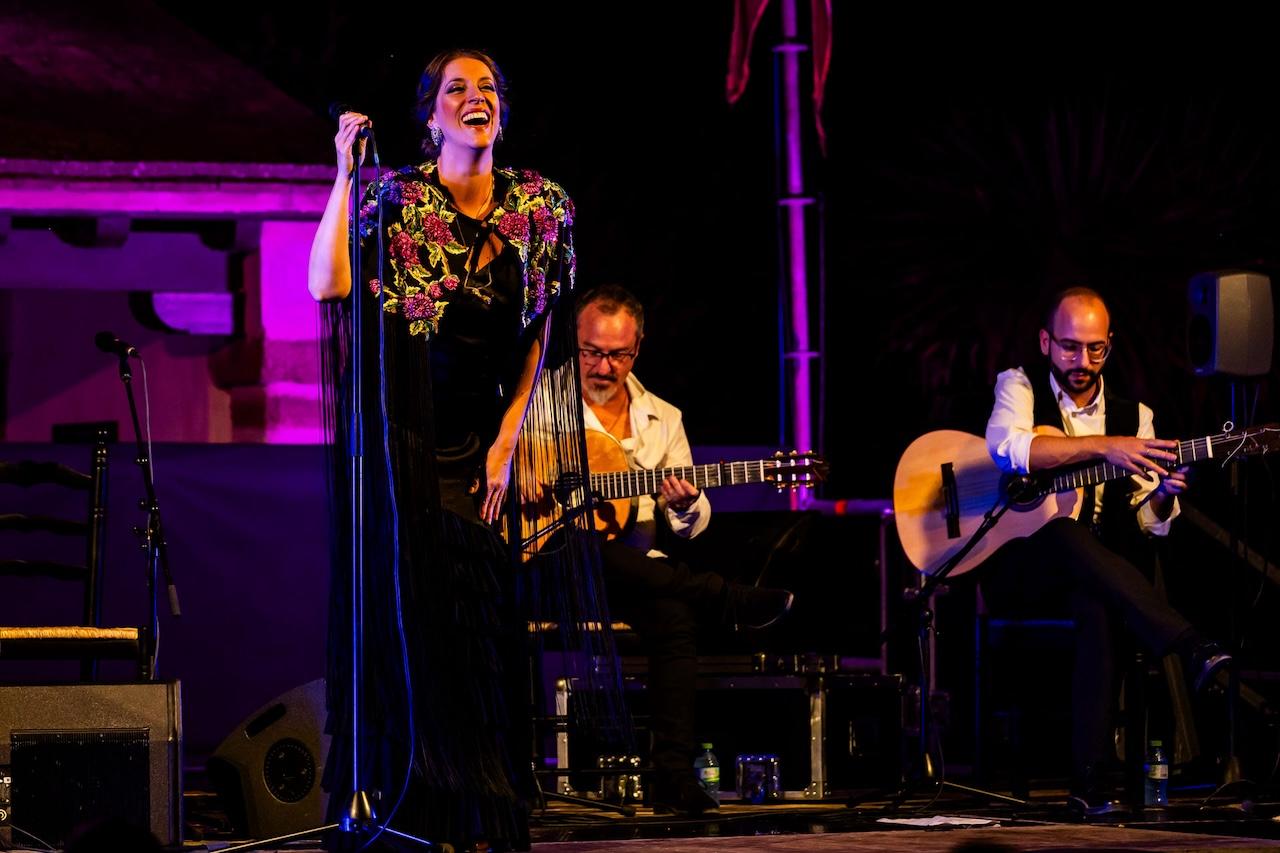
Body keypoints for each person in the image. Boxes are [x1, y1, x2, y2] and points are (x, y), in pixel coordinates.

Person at [309, 49, 618, 852]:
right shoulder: (398, 199)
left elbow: (542, 326)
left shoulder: (541, 204)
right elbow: (327, 284)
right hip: (399, 439)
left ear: (502, 114)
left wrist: (512, 435)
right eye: (457, 89)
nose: (474, 99)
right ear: (431, 115)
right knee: (417, 625)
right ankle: (419, 812)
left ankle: (483, 812)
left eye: (487, 90)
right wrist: (345, 177)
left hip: (481, 440)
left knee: (481, 628)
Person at [982, 286, 1231, 810]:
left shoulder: (1135, 416)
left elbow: (1150, 524)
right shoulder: (1020, 385)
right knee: (1061, 532)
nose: (1082, 360)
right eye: (1070, 347)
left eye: (1095, 348)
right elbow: (1011, 448)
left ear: (1109, 346)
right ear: (1047, 341)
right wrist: (1103, 447)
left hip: (1096, 576)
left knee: (1098, 603)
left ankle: (1088, 787)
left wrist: (1162, 497)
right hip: (1026, 571)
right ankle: (1189, 647)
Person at [573, 284, 794, 816]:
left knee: (673, 618)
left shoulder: (663, 418)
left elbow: (690, 527)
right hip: (560, 566)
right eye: (591, 352)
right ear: (575, 343)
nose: (603, 367)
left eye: (617, 355)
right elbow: (510, 473)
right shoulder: (540, 403)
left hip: (636, 573)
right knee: (587, 547)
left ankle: (671, 775)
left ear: (637, 350)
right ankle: (725, 597)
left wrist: (688, 501)